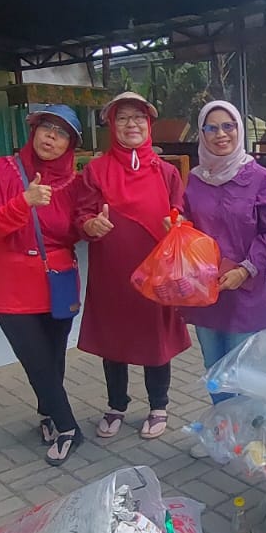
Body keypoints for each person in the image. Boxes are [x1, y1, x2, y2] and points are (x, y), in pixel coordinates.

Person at [76, 90, 189, 439]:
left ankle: (159, 406)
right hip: (111, 271)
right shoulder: (95, 170)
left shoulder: (166, 172)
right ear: (112, 125)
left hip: (156, 271)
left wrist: (177, 224)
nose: (131, 124)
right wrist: (90, 225)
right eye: (123, 118)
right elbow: (82, 213)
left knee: (157, 340)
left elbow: (180, 211)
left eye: (139, 117)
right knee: (114, 340)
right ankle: (116, 405)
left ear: (149, 124)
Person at [0, 105, 84, 466]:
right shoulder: (1, 169)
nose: (51, 136)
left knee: (53, 357)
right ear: (33, 130)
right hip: (11, 283)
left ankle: (48, 414)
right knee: (35, 359)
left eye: (62, 133)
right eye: (46, 127)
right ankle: (69, 428)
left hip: (58, 279)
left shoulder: (73, 183)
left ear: (70, 145)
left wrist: (91, 227)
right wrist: (24, 202)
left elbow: (73, 231)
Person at [182, 99, 266, 396]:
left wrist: (245, 269)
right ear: (202, 133)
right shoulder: (194, 181)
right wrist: (176, 226)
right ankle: (225, 426)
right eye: (211, 128)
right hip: (207, 292)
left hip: (247, 293)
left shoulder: (260, 179)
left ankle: (249, 428)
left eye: (228, 126)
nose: (221, 134)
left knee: (245, 376)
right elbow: (186, 223)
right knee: (215, 372)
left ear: (239, 129)